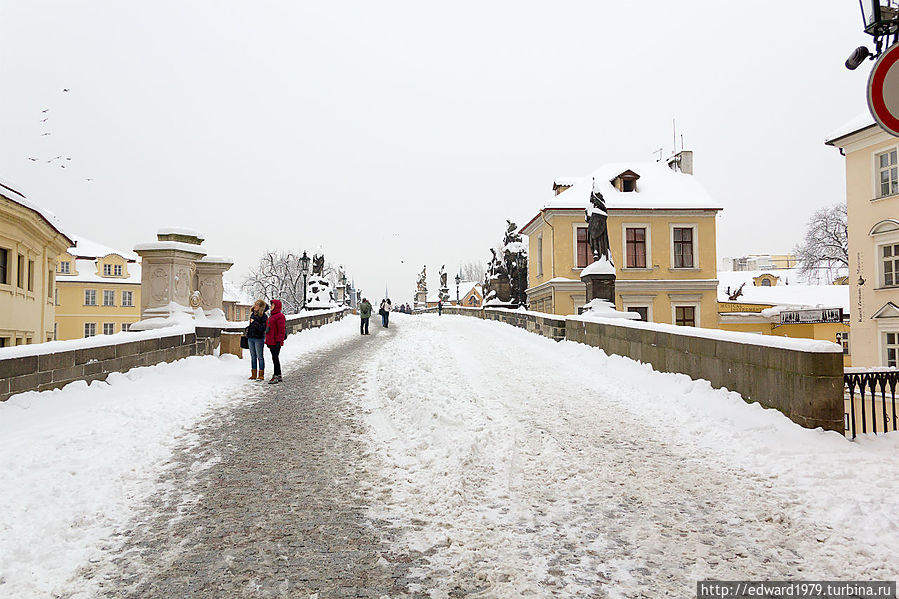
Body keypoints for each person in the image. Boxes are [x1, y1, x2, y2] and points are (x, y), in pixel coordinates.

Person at [265, 299, 286, 384]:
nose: (271, 307)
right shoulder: (272, 316)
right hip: (271, 340)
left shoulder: (280, 316)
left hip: (275, 341)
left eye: (273, 305)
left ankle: (276, 375)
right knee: (274, 358)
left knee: (275, 358)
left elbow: (281, 330)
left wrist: (279, 341)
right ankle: (278, 374)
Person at [246, 299, 268, 381]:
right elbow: (252, 326)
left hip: (259, 338)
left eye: (257, 305)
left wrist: (254, 322)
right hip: (251, 337)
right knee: (253, 357)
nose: (255, 306)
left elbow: (262, 328)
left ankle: (261, 374)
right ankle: (253, 374)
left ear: (260, 307)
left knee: (260, 357)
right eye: (255, 305)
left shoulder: (264, 316)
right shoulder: (252, 314)